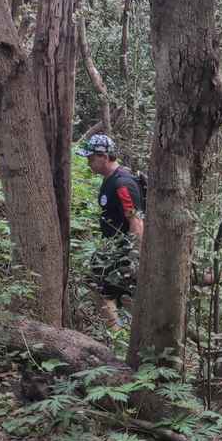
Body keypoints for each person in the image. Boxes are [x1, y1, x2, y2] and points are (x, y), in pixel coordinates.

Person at [78, 134, 144, 328]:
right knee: (98, 284)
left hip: (124, 250)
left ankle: (119, 333)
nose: (88, 163)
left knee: (108, 289)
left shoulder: (123, 184)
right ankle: (117, 330)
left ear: (104, 157)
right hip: (111, 247)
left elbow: (136, 222)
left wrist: (132, 255)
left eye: (91, 158)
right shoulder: (110, 180)